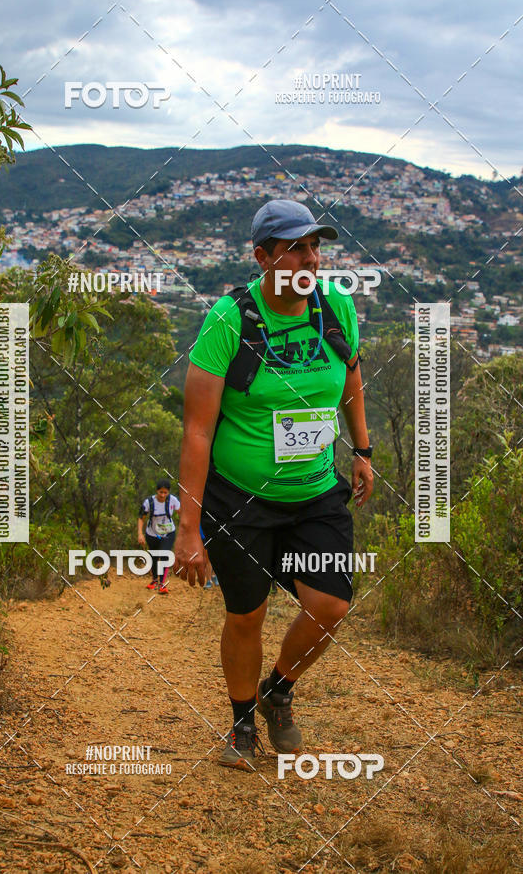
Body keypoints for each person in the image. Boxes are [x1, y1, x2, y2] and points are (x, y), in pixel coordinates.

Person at [174, 199, 374, 771]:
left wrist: (360, 450)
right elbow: (197, 430)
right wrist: (188, 529)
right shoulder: (229, 321)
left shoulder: (336, 306)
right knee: (247, 614)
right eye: (294, 248)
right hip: (239, 498)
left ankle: (278, 690)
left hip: (315, 491)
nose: (309, 258)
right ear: (262, 257)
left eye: (316, 246)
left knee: (330, 605)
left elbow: (351, 372)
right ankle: (241, 726)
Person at [138, 479, 180, 594]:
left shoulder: (173, 501)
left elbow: (182, 513)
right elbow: (141, 517)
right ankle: (154, 580)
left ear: (168, 492)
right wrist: (140, 534)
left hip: (168, 532)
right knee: (154, 557)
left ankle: (162, 583)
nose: (162, 495)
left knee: (165, 554)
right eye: (160, 492)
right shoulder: (149, 502)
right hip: (152, 533)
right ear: (157, 491)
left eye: (165, 492)